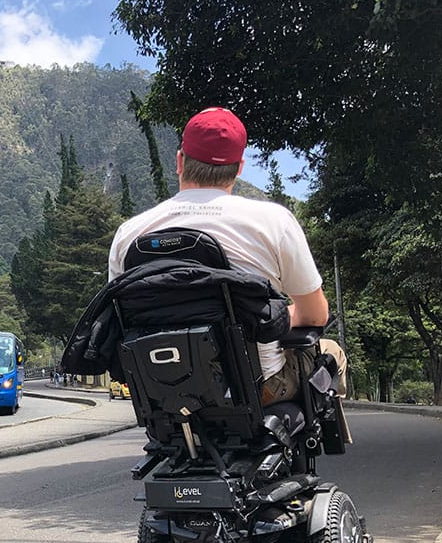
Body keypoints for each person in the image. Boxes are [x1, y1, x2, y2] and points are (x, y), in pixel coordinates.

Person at [107, 107, 346, 406]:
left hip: (164, 392)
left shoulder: (129, 234)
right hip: (258, 390)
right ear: (240, 167)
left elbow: (123, 321)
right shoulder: (273, 221)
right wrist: (280, 314)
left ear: (180, 160)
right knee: (332, 352)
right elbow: (315, 315)